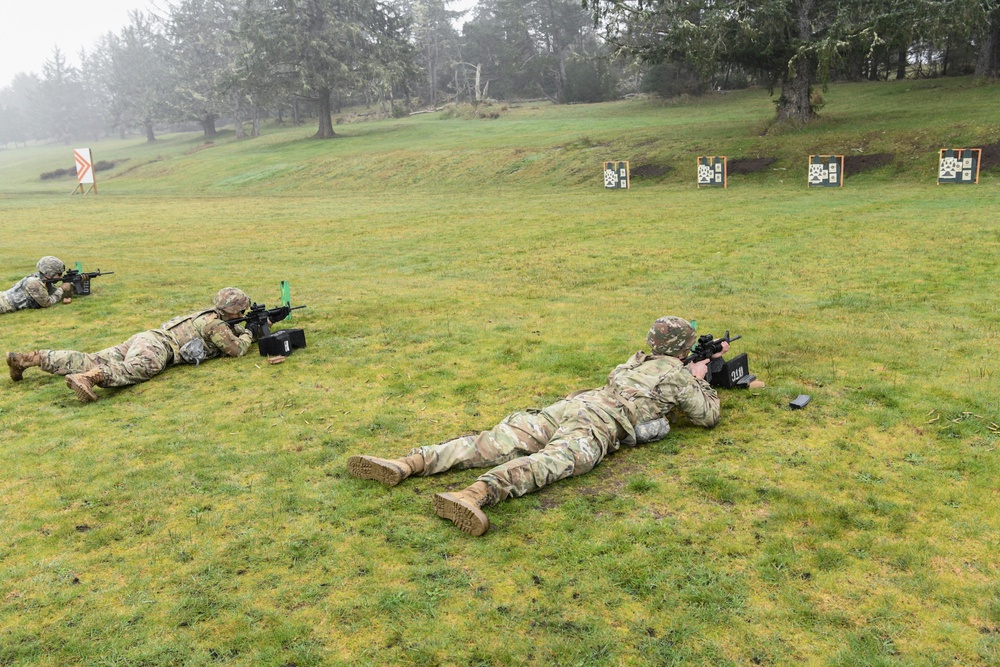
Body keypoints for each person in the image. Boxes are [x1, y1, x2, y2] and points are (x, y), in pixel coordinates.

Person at [347, 316, 727, 536]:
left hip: (571, 405)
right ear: (683, 348)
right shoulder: (678, 376)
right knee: (551, 462)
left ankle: (405, 464)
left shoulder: (635, 360)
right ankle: (474, 495)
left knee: (491, 442)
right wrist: (699, 376)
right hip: (599, 422)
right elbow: (707, 416)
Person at [6, 287, 261, 403]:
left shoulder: (207, 316)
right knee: (135, 370)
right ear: (234, 310)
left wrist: (243, 326)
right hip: (158, 350)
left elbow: (228, 331)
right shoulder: (216, 326)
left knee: (91, 356)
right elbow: (236, 350)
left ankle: (30, 359)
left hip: (145, 337)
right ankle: (90, 378)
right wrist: (251, 332)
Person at [0, 256, 70, 314]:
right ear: (49, 273)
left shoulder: (39, 278)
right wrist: (61, 289)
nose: (60, 277)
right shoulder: (34, 282)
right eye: (59, 274)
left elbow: (52, 292)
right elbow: (47, 303)